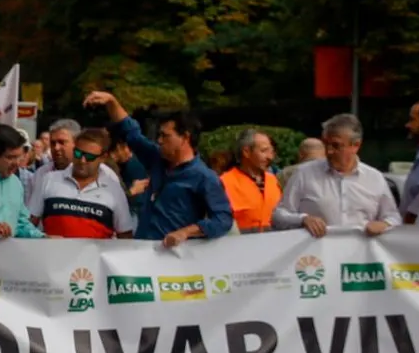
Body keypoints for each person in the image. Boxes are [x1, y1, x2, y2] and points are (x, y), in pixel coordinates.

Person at [84, 91, 232, 247]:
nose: (159, 140)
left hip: (175, 259)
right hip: (142, 251)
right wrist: (111, 102)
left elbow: (223, 219)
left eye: (165, 136)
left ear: (185, 138)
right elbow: (131, 132)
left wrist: (187, 232)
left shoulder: (203, 177)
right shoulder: (157, 158)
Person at [271, 114, 399, 237]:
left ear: (356, 145)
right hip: (317, 256)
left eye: (336, 145)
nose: (329, 151)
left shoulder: (374, 178)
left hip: (359, 256)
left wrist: (384, 224)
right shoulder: (304, 174)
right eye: (326, 144)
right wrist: (303, 219)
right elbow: (278, 216)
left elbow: (394, 217)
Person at [29, 127, 132, 239]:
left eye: (89, 157)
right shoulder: (49, 179)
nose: (82, 160)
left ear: (103, 158)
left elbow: (125, 236)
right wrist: (41, 237)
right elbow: (28, 223)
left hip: (94, 256)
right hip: (52, 255)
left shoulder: (114, 190)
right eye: (78, 153)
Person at [221, 129, 281, 233]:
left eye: (271, 151)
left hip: (275, 246)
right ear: (246, 152)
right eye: (264, 151)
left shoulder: (274, 181)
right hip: (242, 247)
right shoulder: (225, 182)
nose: (270, 157)